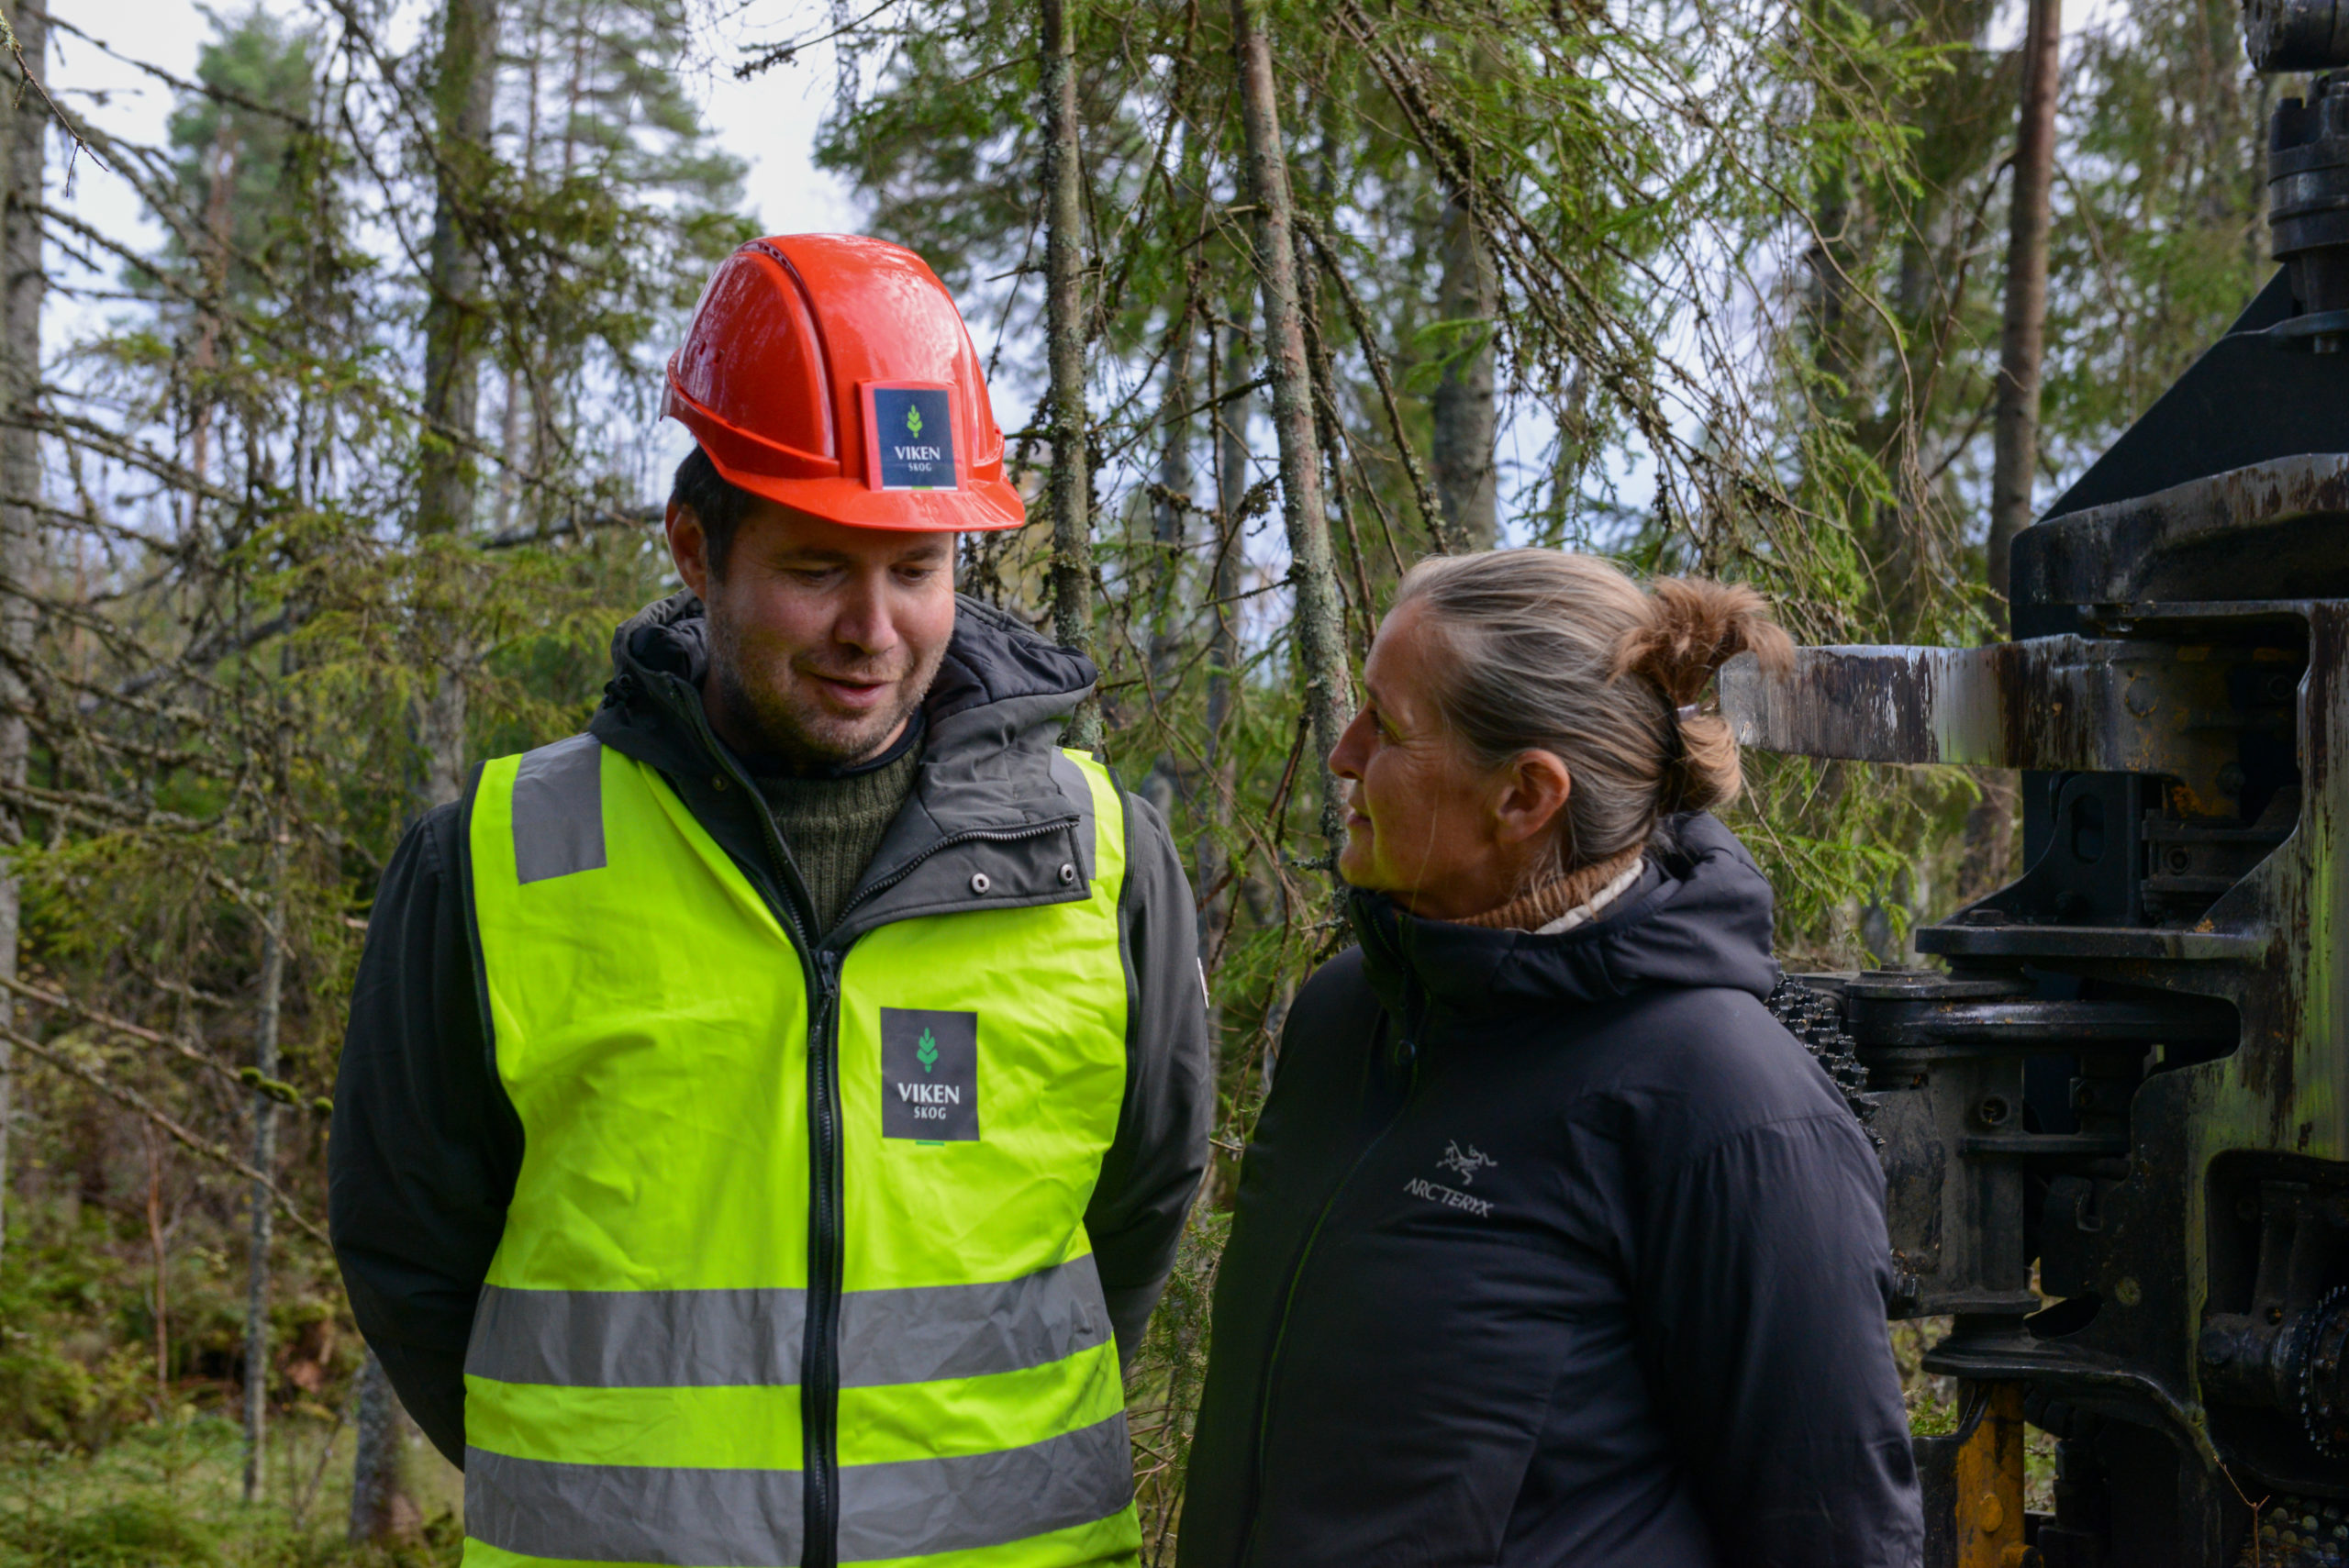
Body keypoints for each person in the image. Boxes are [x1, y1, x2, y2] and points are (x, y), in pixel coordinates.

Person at [330, 234, 1211, 1568]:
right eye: (817, 568)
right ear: (697, 550)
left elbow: (1138, 1211)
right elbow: (410, 1244)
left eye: (917, 569)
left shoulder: (1099, 861)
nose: (875, 628)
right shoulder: (499, 859)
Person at [1177, 550, 1921, 1567]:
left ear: (1524, 795)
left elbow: (1835, 1534)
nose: (1343, 753)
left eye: (1387, 727)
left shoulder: (1726, 1104)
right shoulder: (1345, 1015)